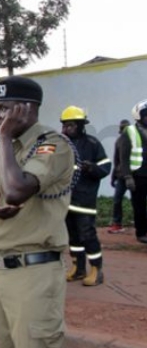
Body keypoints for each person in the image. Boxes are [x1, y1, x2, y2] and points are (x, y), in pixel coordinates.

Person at [0, 76, 74, 348]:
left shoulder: (52, 144)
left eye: (4, 108)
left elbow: (15, 191)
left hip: (34, 273)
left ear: (26, 108)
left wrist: (3, 137)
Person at [60, 106, 111, 286]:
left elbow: (106, 167)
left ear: (81, 125)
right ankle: (78, 268)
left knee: (87, 235)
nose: (67, 129)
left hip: (84, 200)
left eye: (71, 125)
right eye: (64, 126)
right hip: (67, 201)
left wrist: (92, 168)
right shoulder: (62, 144)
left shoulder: (92, 143)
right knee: (73, 237)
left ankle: (96, 270)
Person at [116, 100, 147, 244]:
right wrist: (128, 176)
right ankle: (141, 233)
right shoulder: (130, 131)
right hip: (138, 176)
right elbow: (123, 157)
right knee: (139, 205)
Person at [108, 119, 131, 233]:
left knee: (139, 201)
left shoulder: (136, 141)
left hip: (134, 176)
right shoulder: (118, 141)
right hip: (121, 177)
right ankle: (117, 224)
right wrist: (113, 177)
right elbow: (116, 161)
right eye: (123, 128)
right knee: (117, 200)